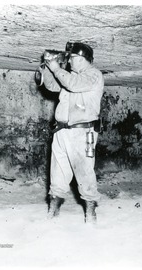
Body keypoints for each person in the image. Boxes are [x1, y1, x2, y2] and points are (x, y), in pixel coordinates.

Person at [42, 42, 104, 224]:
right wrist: (47, 65)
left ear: (84, 59)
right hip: (61, 131)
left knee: (84, 173)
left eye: (73, 58)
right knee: (57, 173)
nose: (69, 61)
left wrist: (56, 67)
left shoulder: (93, 75)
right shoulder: (71, 76)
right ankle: (52, 214)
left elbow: (72, 84)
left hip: (82, 133)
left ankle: (91, 216)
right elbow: (52, 86)